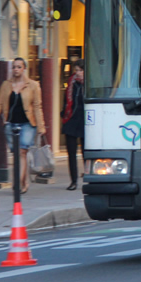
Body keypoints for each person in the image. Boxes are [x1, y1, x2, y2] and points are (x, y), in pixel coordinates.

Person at [0, 57, 46, 194]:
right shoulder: (6, 85)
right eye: (14, 67)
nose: (16, 69)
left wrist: (41, 126)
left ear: (24, 68)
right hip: (11, 122)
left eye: (19, 67)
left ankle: (17, 183)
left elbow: (37, 107)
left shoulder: (33, 85)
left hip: (27, 123)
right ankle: (23, 181)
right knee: (16, 154)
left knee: (22, 151)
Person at [60, 59, 85, 191]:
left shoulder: (90, 84)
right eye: (76, 70)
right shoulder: (71, 82)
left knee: (86, 152)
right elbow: (67, 100)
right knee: (71, 152)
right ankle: (73, 181)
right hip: (71, 119)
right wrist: (64, 112)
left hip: (85, 120)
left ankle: (88, 178)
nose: (78, 73)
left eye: (81, 70)